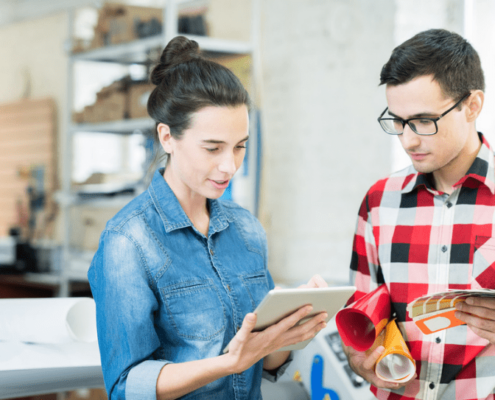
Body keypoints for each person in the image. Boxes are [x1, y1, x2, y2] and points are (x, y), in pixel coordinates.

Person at [88, 36, 328, 400]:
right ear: (167, 137)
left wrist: (289, 332)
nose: (229, 165)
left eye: (240, 146)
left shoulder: (246, 229)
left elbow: (262, 361)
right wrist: (227, 363)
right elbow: (125, 387)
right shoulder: (128, 241)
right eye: (213, 148)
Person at [343, 29, 495, 400]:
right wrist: (358, 358)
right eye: (397, 121)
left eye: (424, 120)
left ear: (472, 105)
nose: (408, 140)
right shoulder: (379, 202)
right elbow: (359, 320)